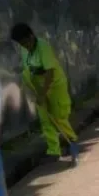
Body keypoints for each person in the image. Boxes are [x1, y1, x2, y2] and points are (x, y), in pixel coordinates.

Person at [10, 23, 79, 165]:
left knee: (59, 116)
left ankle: (72, 142)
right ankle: (54, 151)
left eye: (26, 43)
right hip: (38, 87)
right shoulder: (24, 50)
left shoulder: (43, 47)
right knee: (45, 119)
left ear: (31, 36)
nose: (25, 47)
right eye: (21, 44)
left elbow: (50, 73)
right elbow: (29, 69)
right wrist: (37, 92)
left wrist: (42, 94)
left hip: (54, 85)